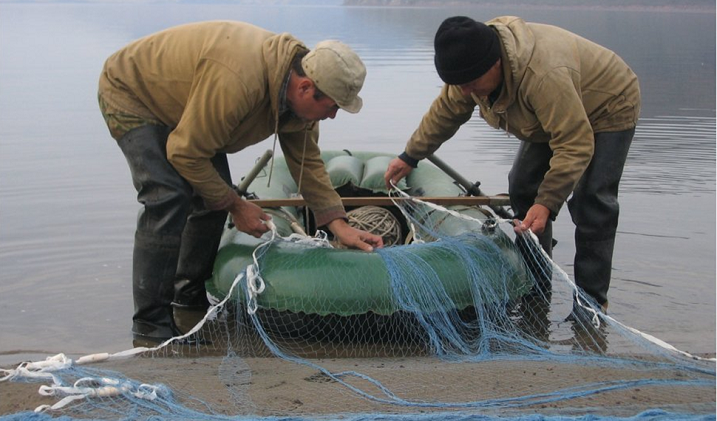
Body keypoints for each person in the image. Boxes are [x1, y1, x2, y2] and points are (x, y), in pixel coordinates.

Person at [98, 21, 384, 342]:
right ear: (305, 88)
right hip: (133, 91)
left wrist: (339, 224)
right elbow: (186, 154)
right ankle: (150, 325)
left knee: (211, 198)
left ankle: (186, 297)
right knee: (168, 196)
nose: (332, 116)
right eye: (331, 107)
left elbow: (307, 163)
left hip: (190, 109)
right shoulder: (238, 82)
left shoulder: (300, 104)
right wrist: (237, 206)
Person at [384, 16, 640, 313]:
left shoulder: (543, 76)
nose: (466, 92)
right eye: (459, 85)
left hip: (608, 104)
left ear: (495, 64)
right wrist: (410, 155)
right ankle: (536, 287)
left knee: (592, 202)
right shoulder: (470, 66)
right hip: (550, 113)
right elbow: (447, 111)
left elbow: (574, 144)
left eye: (471, 84)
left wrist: (547, 203)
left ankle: (591, 305)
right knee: (522, 185)